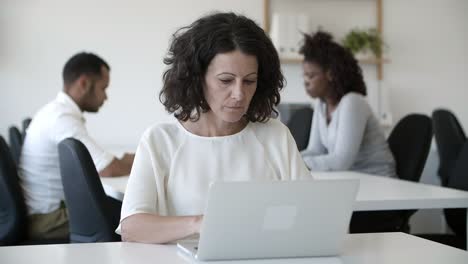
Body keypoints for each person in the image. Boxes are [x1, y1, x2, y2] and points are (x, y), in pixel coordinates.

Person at [118, 12, 311, 244]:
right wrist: (202, 223)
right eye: (226, 80)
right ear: (197, 78)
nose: (239, 94)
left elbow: (312, 213)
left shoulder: (275, 136)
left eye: (249, 81)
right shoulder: (160, 140)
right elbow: (132, 228)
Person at [19, 52, 135, 240]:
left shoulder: (55, 112)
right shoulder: (62, 118)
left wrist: (120, 162)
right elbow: (108, 169)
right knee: (135, 219)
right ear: (84, 83)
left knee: (126, 211)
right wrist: (140, 159)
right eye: (103, 88)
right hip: (48, 219)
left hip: (44, 212)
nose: (105, 97)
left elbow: (99, 166)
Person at [299, 31, 396, 178]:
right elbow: (315, 150)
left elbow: (341, 161)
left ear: (330, 74)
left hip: (378, 181)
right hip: (352, 180)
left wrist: (296, 164)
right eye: (304, 75)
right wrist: (288, 160)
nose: (306, 81)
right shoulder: (321, 105)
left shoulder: (353, 102)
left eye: (311, 75)